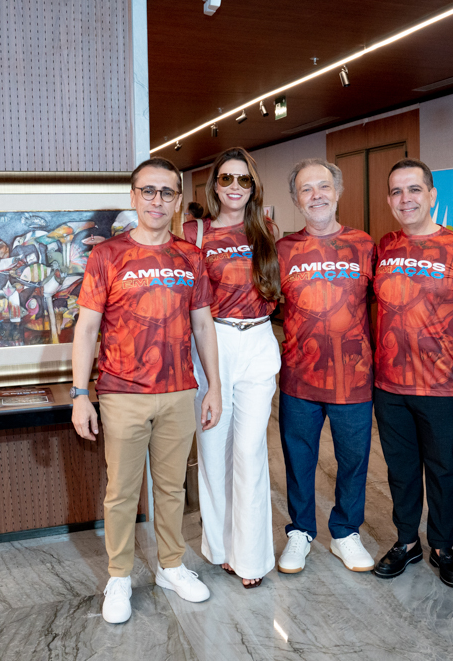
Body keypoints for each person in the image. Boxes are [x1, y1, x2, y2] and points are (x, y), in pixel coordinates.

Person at [72, 157, 222, 624]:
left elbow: (203, 323)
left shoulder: (190, 256)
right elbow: (87, 327)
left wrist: (213, 386)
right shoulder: (107, 255)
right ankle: (119, 576)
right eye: (149, 191)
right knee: (121, 491)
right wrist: (80, 394)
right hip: (122, 392)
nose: (158, 200)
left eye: (167, 192)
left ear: (178, 200)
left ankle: (171, 567)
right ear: (134, 196)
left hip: (179, 391)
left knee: (172, 487)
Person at [371, 158, 453, 588]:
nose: (406, 199)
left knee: (442, 470)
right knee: (400, 469)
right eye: (398, 192)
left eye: (415, 190)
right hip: (389, 385)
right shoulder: (383, 246)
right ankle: (407, 541)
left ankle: (442, 544)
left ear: (432, 194)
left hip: (443, 384)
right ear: (389, 200)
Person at [181, 147, 281, 588]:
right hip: (212, 343)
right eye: (227, 179)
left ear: (253, 186)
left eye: (244, 180)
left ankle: (252, 557)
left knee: (249, 450)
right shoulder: (193, 233)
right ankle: (220, 547)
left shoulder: (266, 230)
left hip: (259, 339)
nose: (235, 188)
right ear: (215, 185)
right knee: (213, 450)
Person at [276, 159, 377, 574]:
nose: (315, 195)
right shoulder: (283, 249)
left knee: (354, 458)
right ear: (296, 199)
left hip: (354, 377)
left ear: (337, 192)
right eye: (306, 189)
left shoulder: (365, 245)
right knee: (298, 458)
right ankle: (300, 531)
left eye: (323, 187)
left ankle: (345, 532)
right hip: (300, 376)